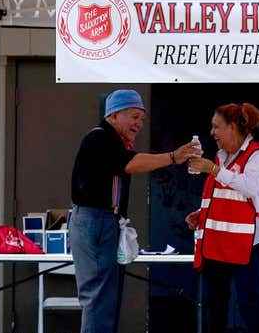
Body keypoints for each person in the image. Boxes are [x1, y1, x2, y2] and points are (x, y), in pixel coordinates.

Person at [69, 89, 199, 333]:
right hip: (95, 221)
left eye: (141, 118)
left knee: (106, 297)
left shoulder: (113, 142)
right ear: (114, 115)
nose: (139, 124)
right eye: (134, 117)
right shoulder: (99, 138)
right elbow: (131, 163)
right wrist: (173, 157)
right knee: (98, 297)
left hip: (104, 221)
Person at [185, 102, 259, 333]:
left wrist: (214, 170)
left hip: (246, 244)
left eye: (217, 127)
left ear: (233, 127)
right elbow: (224, 197)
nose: (212, 132)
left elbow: (251, 189)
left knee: (249, 304)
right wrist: (201, 214)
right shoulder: (221, 157)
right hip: (217, 243)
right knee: (214, 306)